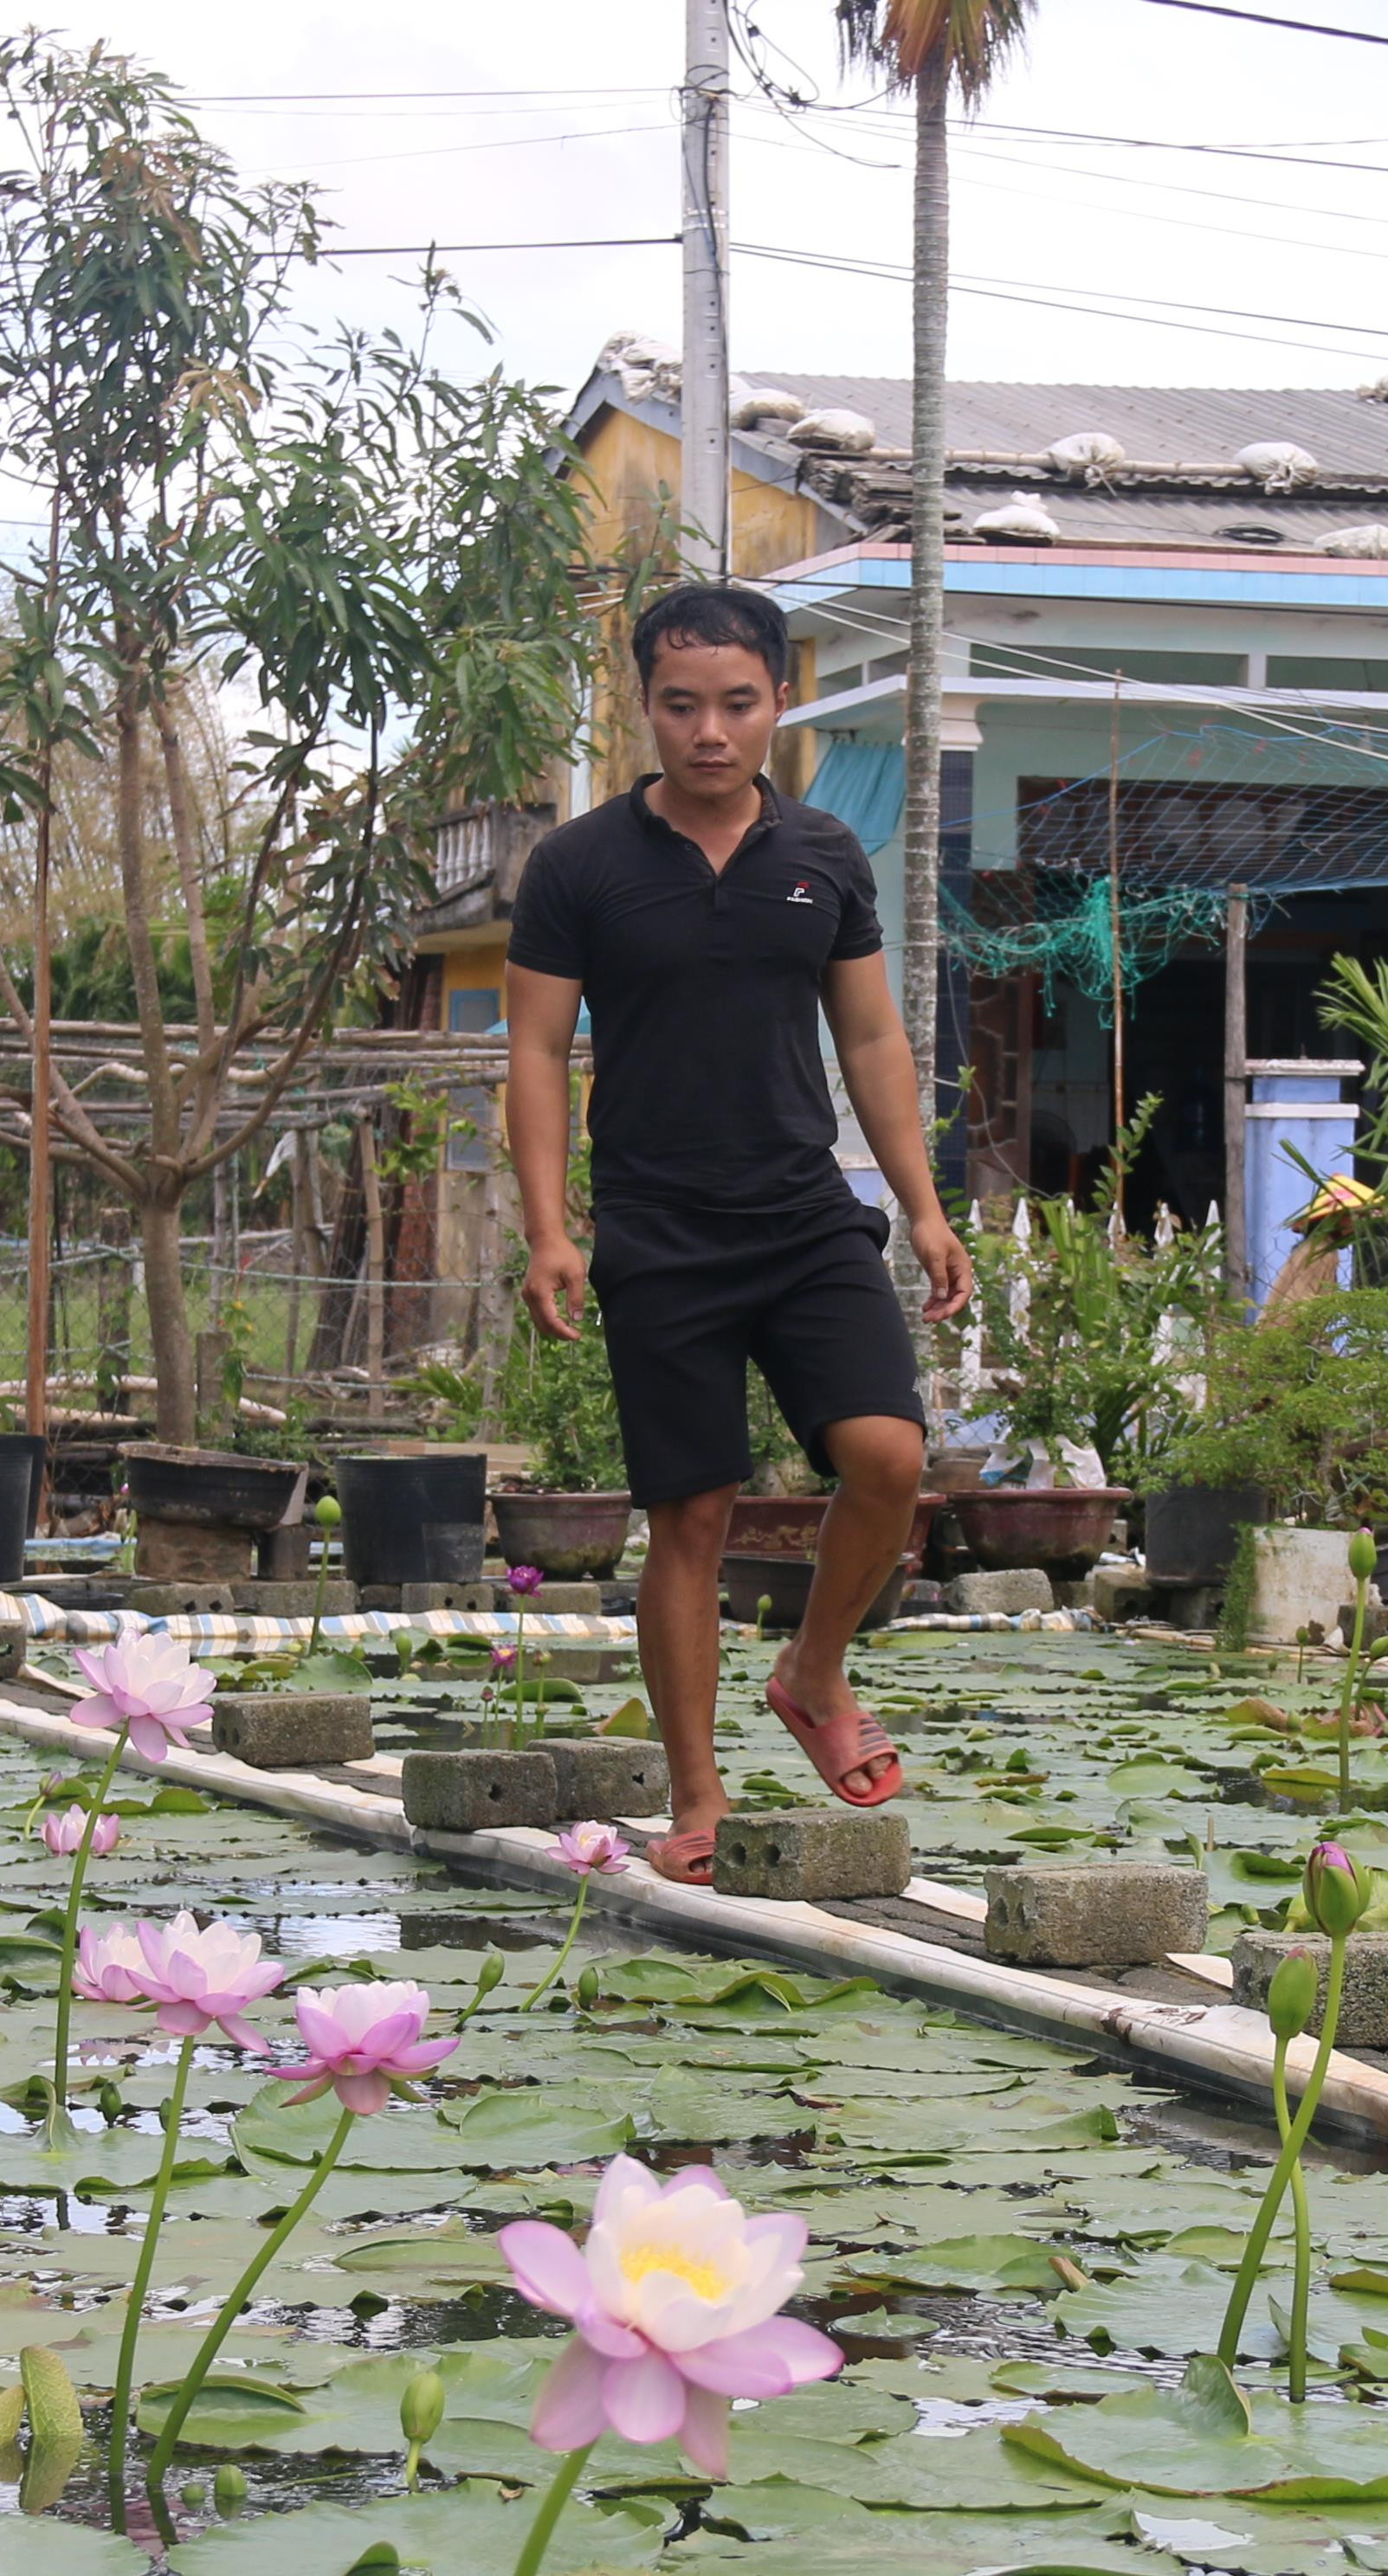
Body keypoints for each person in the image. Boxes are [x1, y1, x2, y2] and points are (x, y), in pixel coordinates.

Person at [501, 582, 975, 1884]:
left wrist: (922, 1206)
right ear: (645, 706)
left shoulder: (823, 854)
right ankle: (697, 1795)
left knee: (886, 1457)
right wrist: (553, 1228)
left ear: (780, 701)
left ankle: (813, 1672)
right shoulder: (580, 866)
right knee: (691, 1517)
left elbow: (873, 1039)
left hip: (803, 1213)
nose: (709, 730)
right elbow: (538, 1052)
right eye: (680, 703)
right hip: (655, 1227)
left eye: (738, 703)